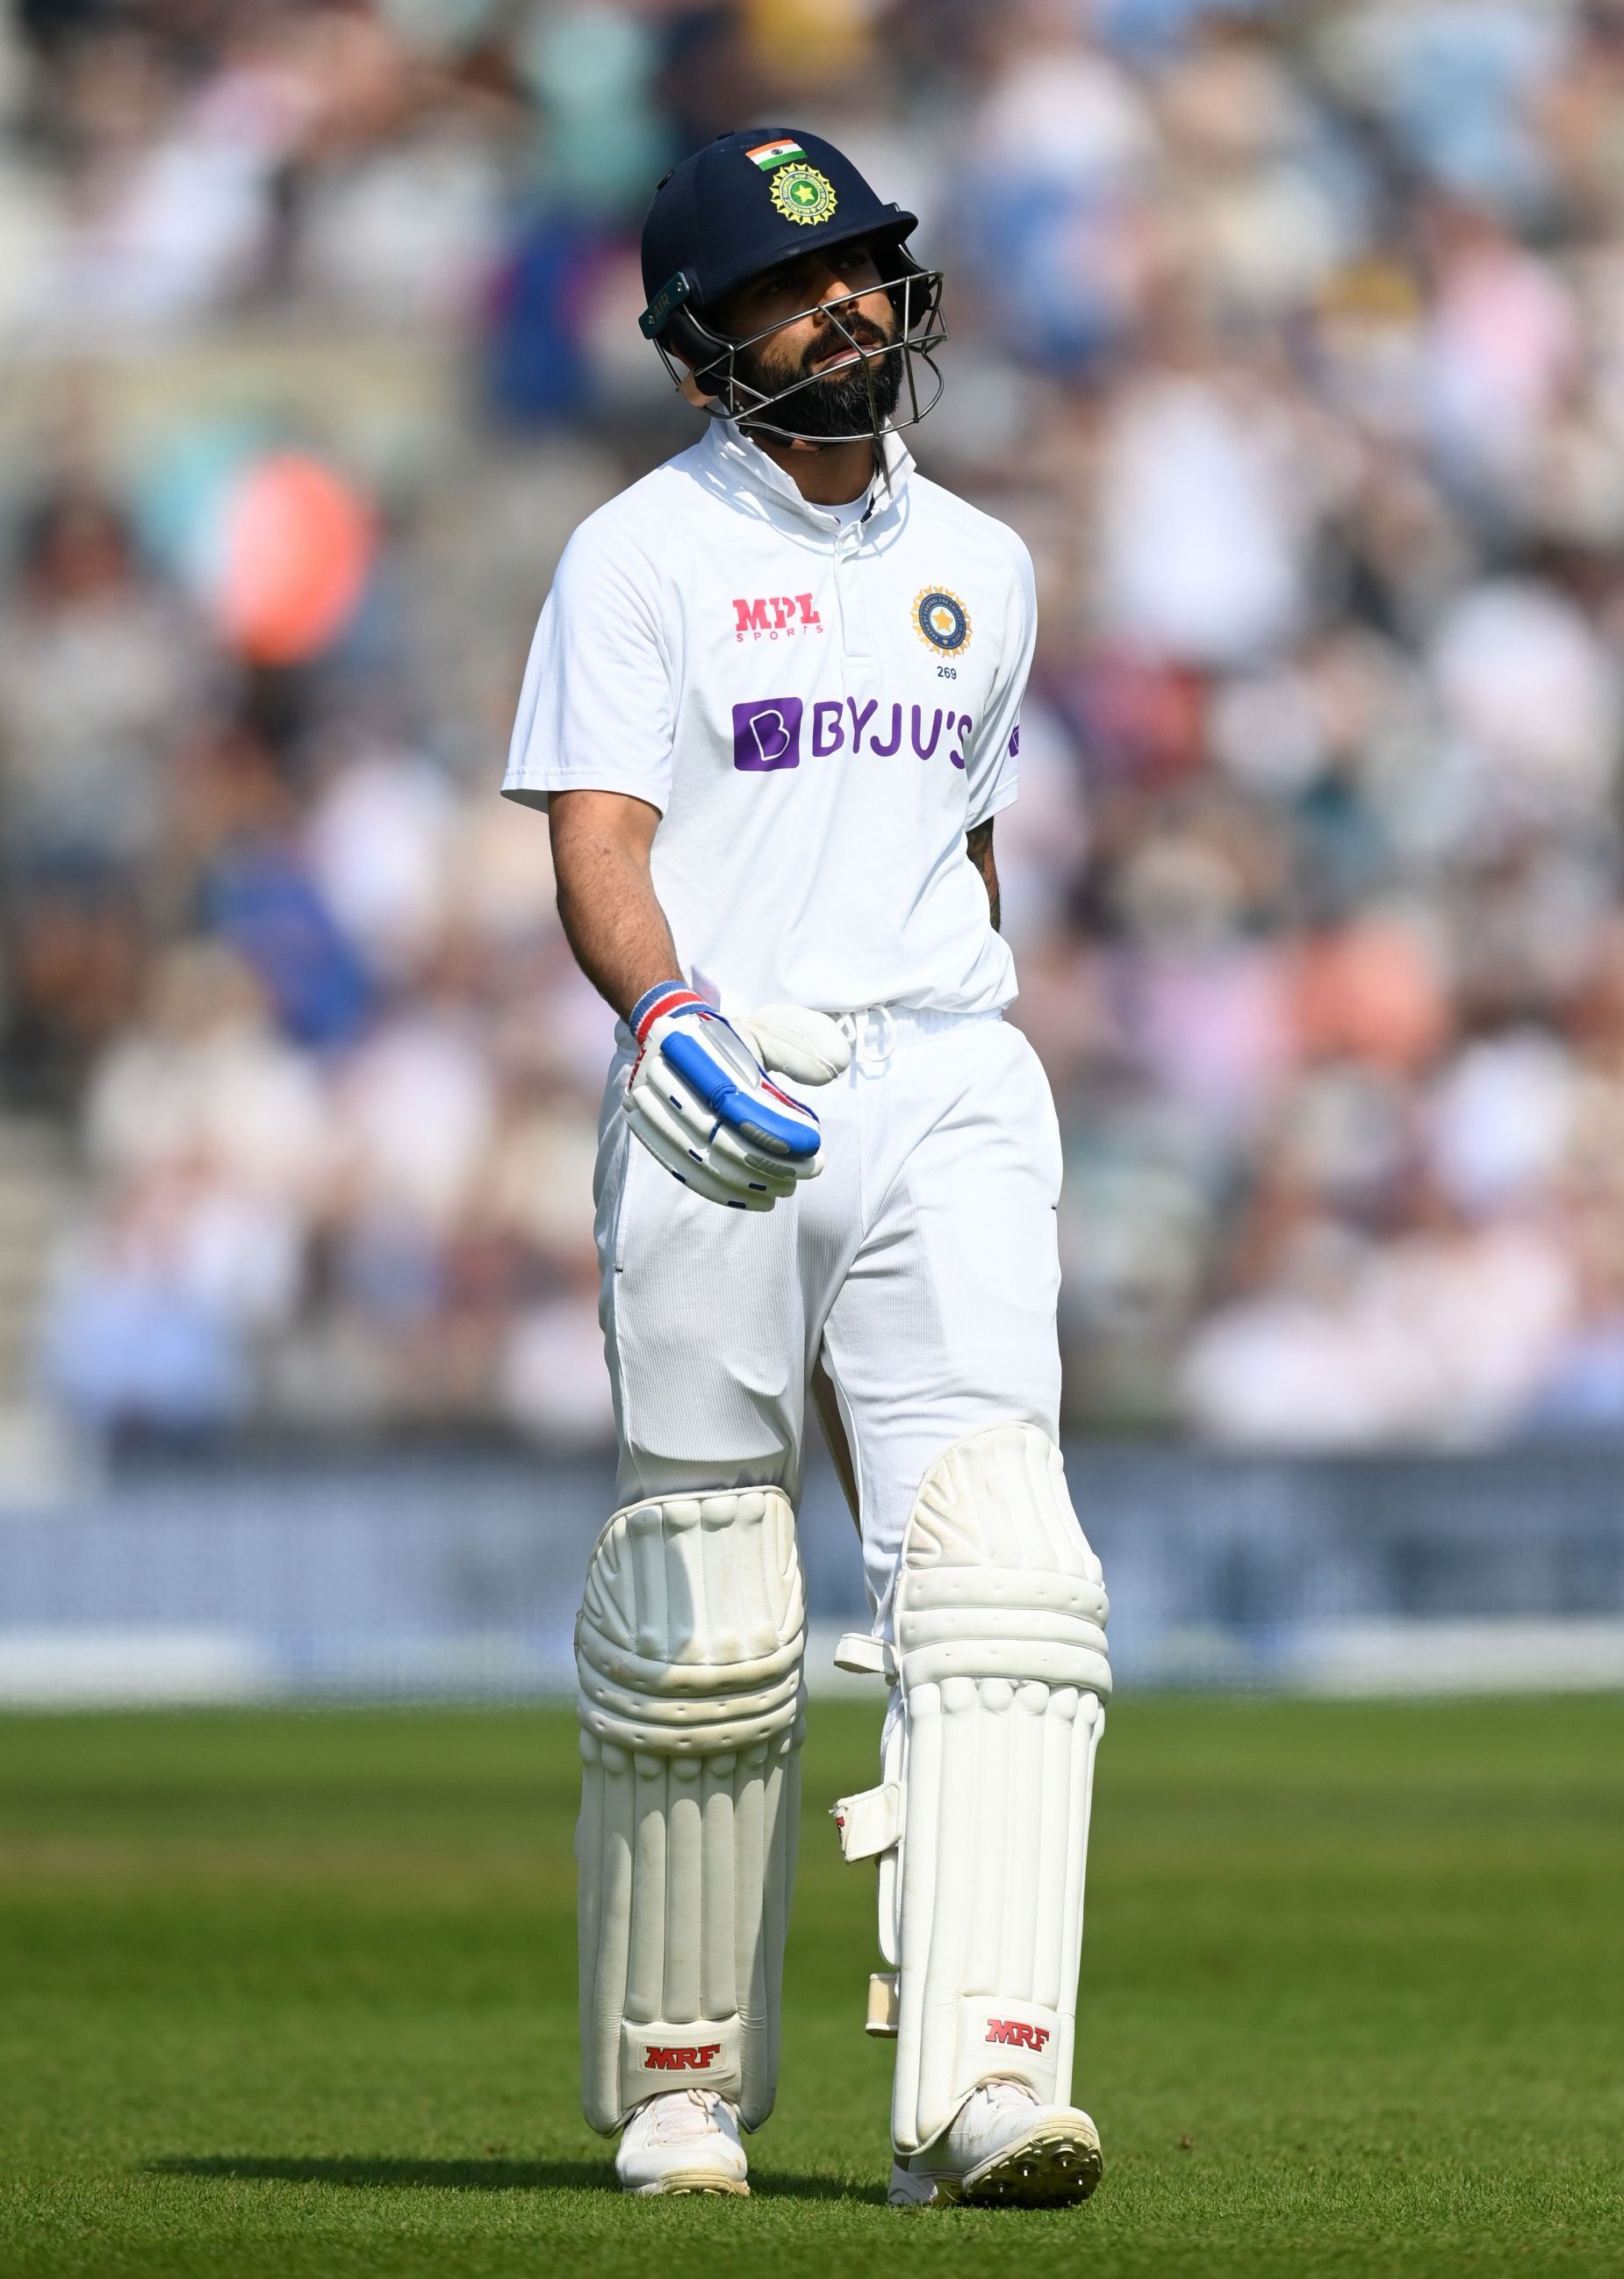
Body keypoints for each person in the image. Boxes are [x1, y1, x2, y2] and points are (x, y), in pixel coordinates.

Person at [503, 125, 1110, 2210]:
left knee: (1004, 1575)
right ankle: (685, 2085)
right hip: (725, 1082)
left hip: (944, 1077)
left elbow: (961, 842)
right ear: (698, 347)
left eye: (859, 262)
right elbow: (602, 837)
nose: (842, 299)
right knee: (704, 1594)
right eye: (787, 281)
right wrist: (663, 1016)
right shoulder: (637, 554)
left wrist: (990, 1041)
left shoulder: (992, 567)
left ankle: (987, 2086)